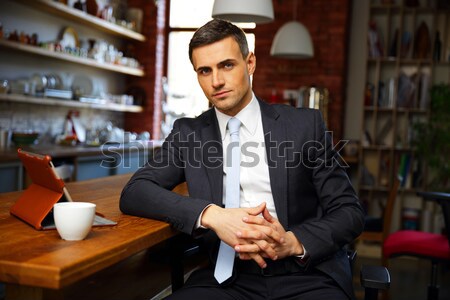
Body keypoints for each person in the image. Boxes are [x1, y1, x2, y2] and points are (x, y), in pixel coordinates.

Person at [120, 19, 365, 300]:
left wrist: (292, 242)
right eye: (204, 70)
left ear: (250, 64)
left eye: (227, 65)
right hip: (227, 279)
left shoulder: (304, 126)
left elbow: (349, 212)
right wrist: (213, 215)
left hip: (305, 273)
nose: (216, 81)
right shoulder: (188, 133)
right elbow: (134, 192)